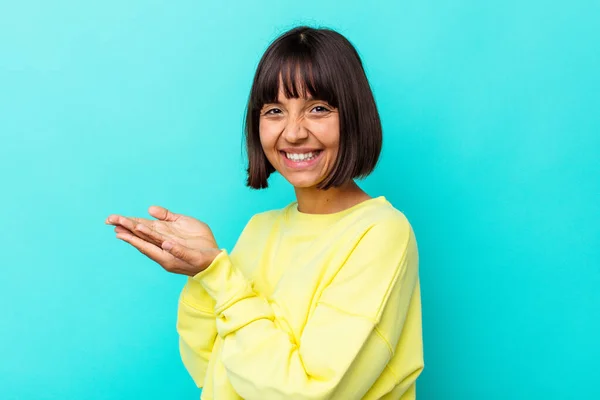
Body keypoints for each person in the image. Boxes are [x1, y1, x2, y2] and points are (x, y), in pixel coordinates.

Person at [106, 26, 423, 400]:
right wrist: (203, 270)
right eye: (274, 111)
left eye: (318, 108)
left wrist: (221, 276)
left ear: (354, 116)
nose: (292, 133)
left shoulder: (380, 233)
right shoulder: (261, 228)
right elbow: (211, 366)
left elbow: (306, 393)